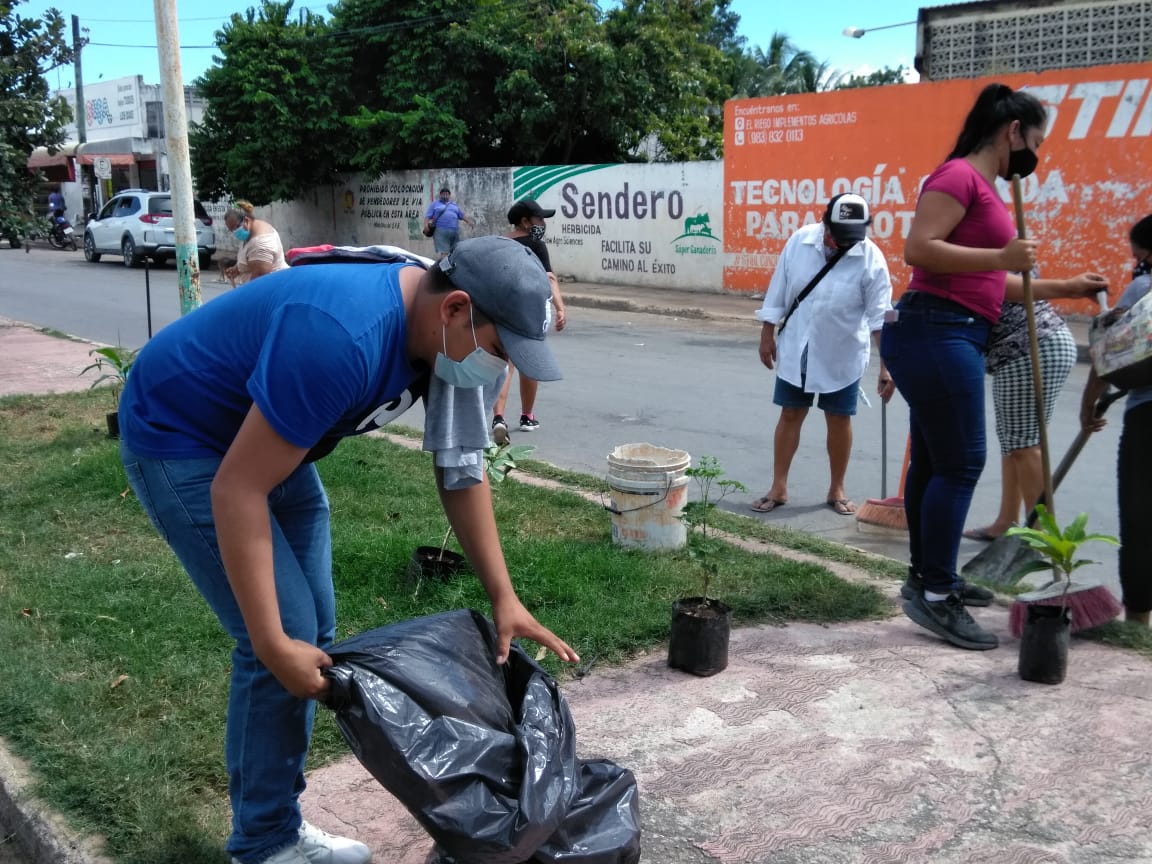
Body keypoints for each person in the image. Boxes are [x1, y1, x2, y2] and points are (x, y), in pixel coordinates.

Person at [117, 235, 579, 864]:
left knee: (313, 635)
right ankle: (262, 844)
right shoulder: (342, 339)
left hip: (275, 441)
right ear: (456, 309)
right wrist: (272, 641)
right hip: (184, 435)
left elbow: (461, 473)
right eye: (499, 350)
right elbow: (238, 488)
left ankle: (278, 822)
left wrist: (505, 597)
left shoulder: (449, 339)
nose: (499, 369)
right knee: (279, 641)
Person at [880, 82, 1048, 651]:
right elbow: (919, 248)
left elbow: (988, 279)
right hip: (937, 329)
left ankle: (927, 577)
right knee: (962, 463)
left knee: (932, 462)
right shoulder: (958, 177)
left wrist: (1064, 286)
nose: (1034, 156)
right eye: (1035, 142)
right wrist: (1002, 256)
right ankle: (936, 595)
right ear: (1012, 132)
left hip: (949, 331)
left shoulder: (981, 187)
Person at [751, 193, 894, 516]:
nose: (841, 243)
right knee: (790, 413)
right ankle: (779, 487)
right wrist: (766, 335)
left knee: (839, 418)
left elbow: (880, 316)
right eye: (836, 235)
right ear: (824, 220)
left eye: (849, 238)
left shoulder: (870, 257)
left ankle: (836, 489)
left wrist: (887, 366)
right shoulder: (801, 241)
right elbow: (778, 289)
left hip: (841, 352)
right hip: (798, 345)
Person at [961, 269, 1107, 542]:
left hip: (1028, 347)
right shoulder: (996, 238)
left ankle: (1042, 538)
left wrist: (1068, 286)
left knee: (1024, 445)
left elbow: (1001, 284)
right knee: (1014, 442)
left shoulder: (991, 242)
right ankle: (1007, 521)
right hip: (1028, 346)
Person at [1080, 214, 1152, 628]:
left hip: (1148, 418)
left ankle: (1139, 621)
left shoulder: (1144, 287)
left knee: (1141, 520)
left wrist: (1089, 403)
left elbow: (1111, 350)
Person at [491, 199, 567, 441]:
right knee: (529, 362)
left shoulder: (500, 243)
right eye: (540, 219)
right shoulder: (536, 245)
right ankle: (527, 416)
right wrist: (560, 307)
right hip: (533, 309)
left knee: (505, 364)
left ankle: (498, 417)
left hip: (503, 308)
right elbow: (549, 278)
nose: (543, 224)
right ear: (525, 221)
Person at [223, 200, 289, 286]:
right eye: (231, 230)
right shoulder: (250, 231)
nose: (235, 232)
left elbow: (260, 283)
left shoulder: (260, 243)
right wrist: (237, 269)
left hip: (272, 291)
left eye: (235, 228)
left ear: (246, 220)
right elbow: (249, 259)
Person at [424, 187, 474, 260]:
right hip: (440, 231)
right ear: (440, 195)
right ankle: (444, 270)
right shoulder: (435, 204)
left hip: (454, 231)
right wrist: (426, 226)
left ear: (449, 195)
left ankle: (452, 269)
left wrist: (469, 222)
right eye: (443, 194)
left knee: (454, 251)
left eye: (447, 194)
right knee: (444, 253)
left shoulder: (453, 205)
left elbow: (461, 215)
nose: (445, 195)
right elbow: (427, 216)